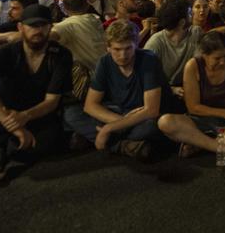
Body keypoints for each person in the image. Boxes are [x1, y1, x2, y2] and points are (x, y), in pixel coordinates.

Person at [0, 4, 72, 185]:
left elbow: (52, 101)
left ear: (50, 27)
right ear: (20, 27)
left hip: (37, 114)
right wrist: (15, 126)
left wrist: (25, 117)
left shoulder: (60, 55)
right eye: (32, 25)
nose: (38, 30)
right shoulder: (4, 52)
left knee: (40, 147)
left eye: (43, 25)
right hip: (4, 113)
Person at [64, 20, 166, 159]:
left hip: (140, 115)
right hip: (118, 112)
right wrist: (121, 122)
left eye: (128, 49)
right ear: (108, 47)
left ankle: (98, 138)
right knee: (71, 114)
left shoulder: (149, 60)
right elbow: (90, 105)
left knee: (152, 126)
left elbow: (151, 110)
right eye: (117, 49)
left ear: (136, 45)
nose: (123, 55)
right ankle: (122, 146)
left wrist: (109, 128)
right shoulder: (105, 62)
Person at [158, 31, 225, 159]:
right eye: (217, 58)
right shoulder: (193, 66)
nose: (223, 62)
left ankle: (201, 143)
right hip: (201, 121)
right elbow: (193, 107)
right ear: (204, 55)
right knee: (165, 122)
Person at [49, 0, 107, 101]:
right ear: (86, 5)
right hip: (106, 76)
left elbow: (43, 37)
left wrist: (7, 36)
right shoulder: (95, 19)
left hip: (90, 85)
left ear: (64, 8)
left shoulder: (67, 26)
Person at [146, 0, 202, 96]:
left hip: (189, 84)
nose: (192, 14)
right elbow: (146, 79)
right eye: (189, 13)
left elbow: (200, 64)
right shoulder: (155, 43)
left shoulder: (195, 33)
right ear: (182, 22)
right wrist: (171, 89)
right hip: (163, 91)